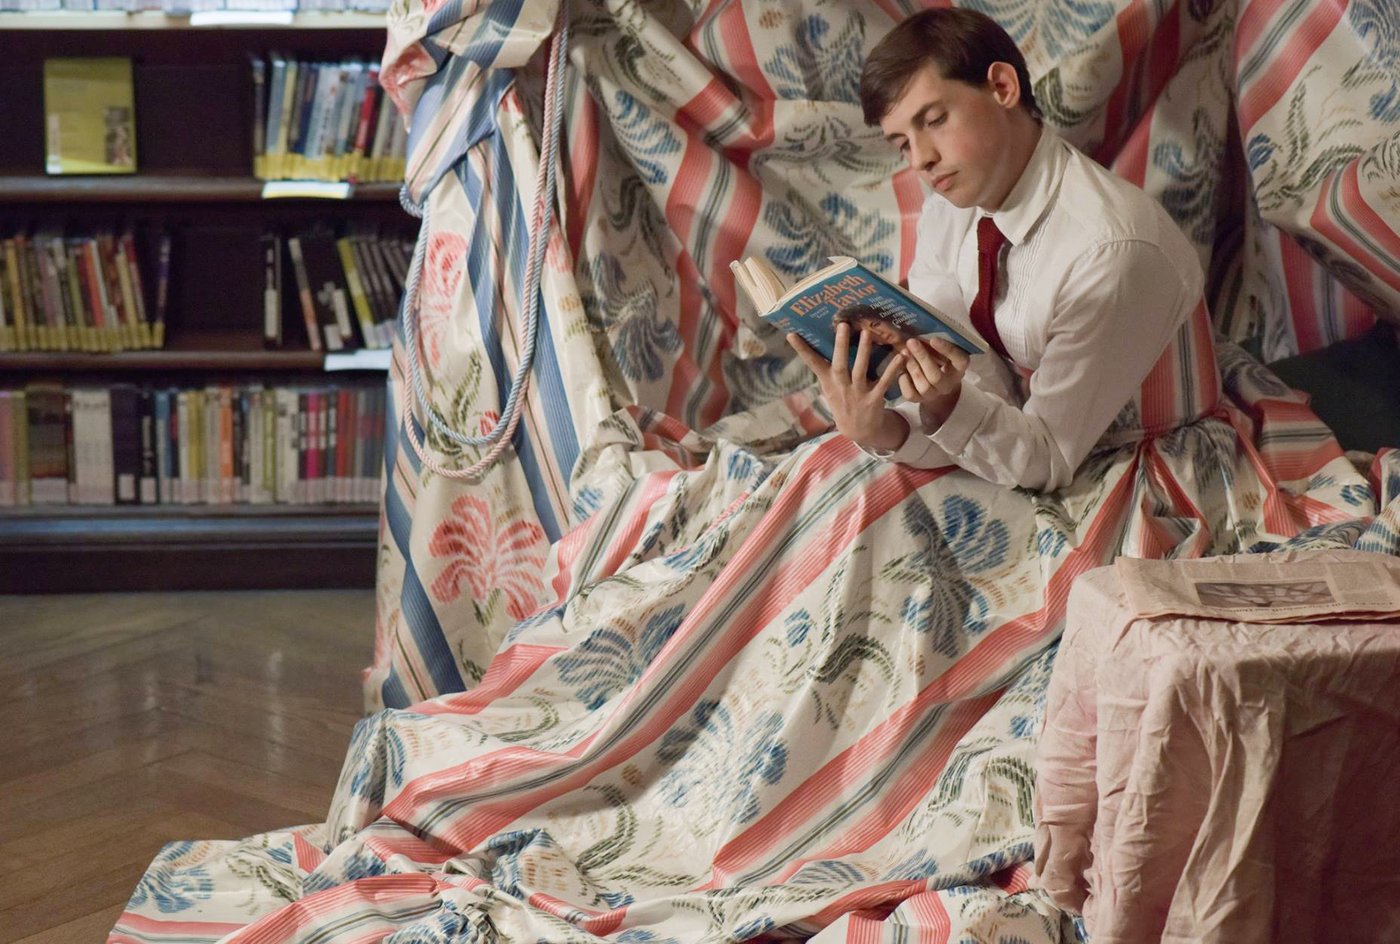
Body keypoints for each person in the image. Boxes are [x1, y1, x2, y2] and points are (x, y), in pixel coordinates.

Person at [787, 7, 1218, 492]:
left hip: (1140, 463)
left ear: (1003, 88)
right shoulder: (949, 208)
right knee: (825, 478)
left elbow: (1049, 458)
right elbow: (975, 394)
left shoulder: (1110, 251)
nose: (922, 159)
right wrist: (881, 429)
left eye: (934, 120)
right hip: (1014, 450)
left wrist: (949, 407)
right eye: (902, 144)